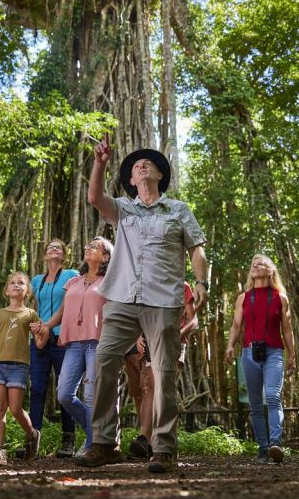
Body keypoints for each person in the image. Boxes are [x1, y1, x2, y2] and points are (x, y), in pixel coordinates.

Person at [78, 136, 209, 474]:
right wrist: (99, 164)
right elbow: (94, 198)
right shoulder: (123, 208)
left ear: (159, 176)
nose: (141, 165)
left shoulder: (178, 210)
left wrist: (201, 282)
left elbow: (197, 249)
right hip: (122, 298)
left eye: (148, 164)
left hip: (163, 300)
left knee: (163, 372)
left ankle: (163, 448)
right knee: (105, 359)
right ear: (132, 180)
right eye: (136, 166)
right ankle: (104, 443)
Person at [40, 236, 114, 456]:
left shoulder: (110, 281)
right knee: (64, 394)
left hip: (97, 342)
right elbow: (62, 311)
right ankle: (94, 433)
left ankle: (92, 444)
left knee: (91, 395)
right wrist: (46, 326)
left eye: (95, 247)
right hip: (73, 343)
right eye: (88, 245)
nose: (88, 248)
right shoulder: (73, 281)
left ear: (106, 257)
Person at [225, 254, 296, 463]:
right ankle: (263, 449)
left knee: (273, 396)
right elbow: (236, 326)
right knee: (255, 404)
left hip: (274, 353)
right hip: (249, 353)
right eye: (253, 264)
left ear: (270, 270)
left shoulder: (280, 298)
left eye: (260, 264)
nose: (255, 266)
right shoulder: (243, 298)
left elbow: (287, 328)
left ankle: (275, 443)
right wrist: (230, 346)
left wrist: (292, 354)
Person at [0, 271, 48, 467]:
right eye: (12, 283)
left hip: (19, 366)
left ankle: (32, 434)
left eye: (21, 283)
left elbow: (39, 344)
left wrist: (42, 333)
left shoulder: (31, 314)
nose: (16, 285)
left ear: (27, 292)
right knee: (0, 406)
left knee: (15, 408)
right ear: (6, 291)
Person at [125, 282, 198, 460]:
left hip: (174, 341)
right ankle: (146, 441)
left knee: (165, 390)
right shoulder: (149, 282)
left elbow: (194, 321)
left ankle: (167, 445)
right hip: (151, 342)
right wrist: (138, 336)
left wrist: (177, 334)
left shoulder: (182, 286)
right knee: (148, 388)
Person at [28, 238, 79, 458]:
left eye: (58, 247)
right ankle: (32, 440)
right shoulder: (36, 280)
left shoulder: (71, 275)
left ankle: (68, 440)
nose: (54, 249)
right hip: (40, 339)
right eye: (50, 247)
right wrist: (35, 328)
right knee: (37, 389)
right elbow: (32, 307)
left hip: (62, 338)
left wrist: (48, 325)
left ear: (64, 255)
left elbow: (69, 305)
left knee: (65, 389)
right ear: (44, 255)